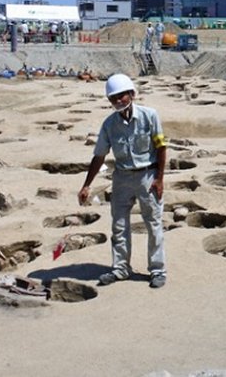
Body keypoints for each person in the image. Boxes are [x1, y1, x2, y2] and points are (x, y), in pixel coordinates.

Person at [77, 73, 167, 289]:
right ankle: (120, 269)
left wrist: (159, 179)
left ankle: (157, 270)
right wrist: (87, 185)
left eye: (122, 96)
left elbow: (161, 147)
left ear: (132, 94)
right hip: (122, 177)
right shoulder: (109, 125)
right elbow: (99, 155)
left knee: (153, 224)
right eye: (113, 98)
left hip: (148, 176)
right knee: (119, 225)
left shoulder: (149, 116)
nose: (118, 101)